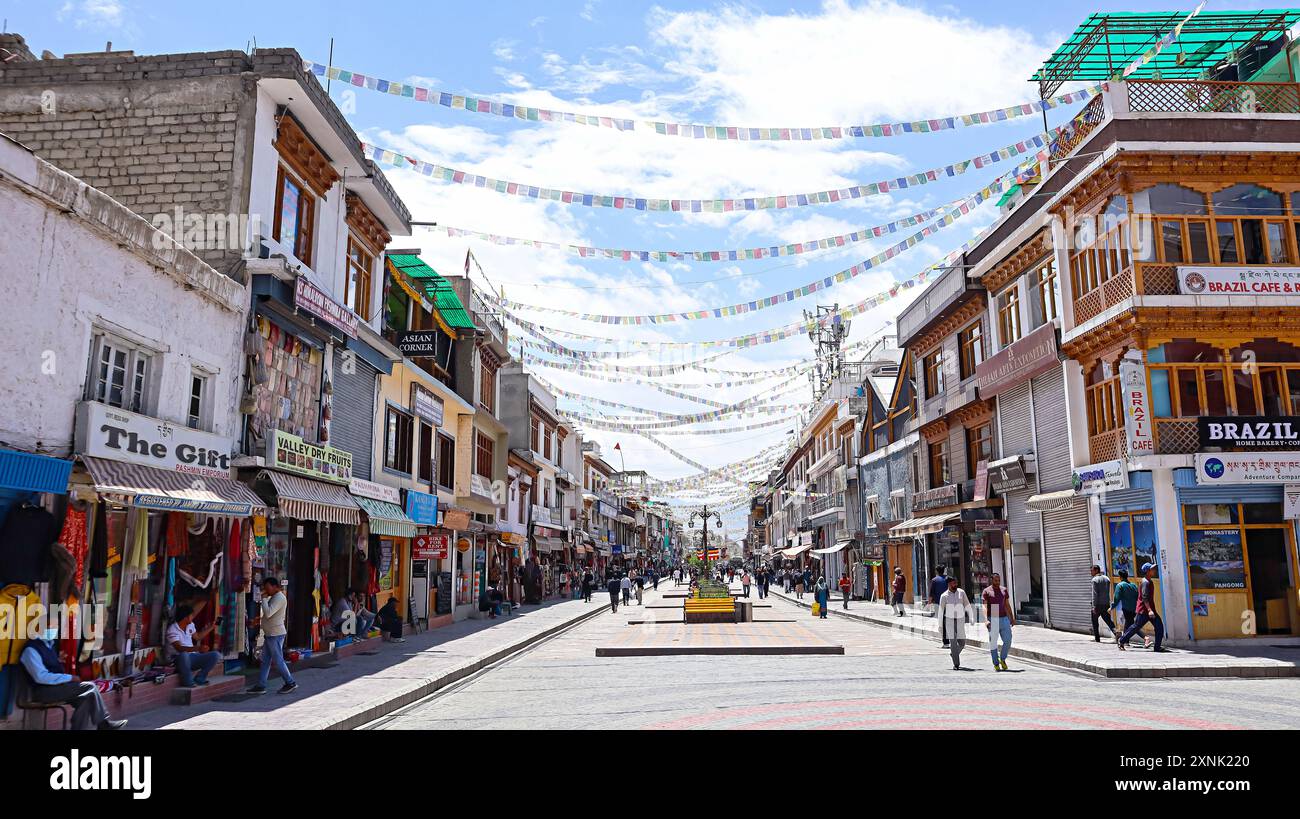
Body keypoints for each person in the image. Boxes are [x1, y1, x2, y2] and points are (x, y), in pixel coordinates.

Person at [20, 627, 126, 730]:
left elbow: (50, 666)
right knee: (90, 687)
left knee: (85, 698)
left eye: (55, 626)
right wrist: (69, 678)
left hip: (57, 688)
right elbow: (41, 677)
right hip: (42, 691)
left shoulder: (50, 645)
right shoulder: (30, 649)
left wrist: (58, 662)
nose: (54, 629)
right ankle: (104, 723)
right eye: (50, 626)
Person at [248, 576, 297, 695]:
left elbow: (269, 613)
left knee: (278, 660)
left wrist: (263, 599)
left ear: (275, 586)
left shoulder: (279, 598)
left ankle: (290, 682)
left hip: (275, 634)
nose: (266, 590)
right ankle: (261, 685)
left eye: (268, 588)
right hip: (270, 634)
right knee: (265, 661)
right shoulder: (274, 597)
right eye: (265, 588)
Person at [166, 603, 222, 687]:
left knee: (215, 655)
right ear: (186, 617)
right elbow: (179, 648)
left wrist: (212, 627)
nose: (193, 617)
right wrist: (197, 648)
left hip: (193, 657)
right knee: (184, 655)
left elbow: (198, 637)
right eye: (191, 615)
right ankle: (188, 682)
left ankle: (200, 678)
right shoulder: (172, 629)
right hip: (178, 659)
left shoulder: (190, 625)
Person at [1118, 563, 1166, 652]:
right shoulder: (1145, 582)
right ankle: (1121, 640)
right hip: (1144, 610)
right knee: (1135, 627)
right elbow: (1144, 597)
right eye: (1152, 569)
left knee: (1159, 626)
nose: (1154, 570)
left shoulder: (1149, 581)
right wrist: (1149, 610)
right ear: (1148, 571)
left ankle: (1157, 647)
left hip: (1150, 610)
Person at [937, 576, 975, 670]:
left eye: (956, 583)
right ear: (949, 584)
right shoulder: (944, 596)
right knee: (953, 642)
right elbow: (941, 611)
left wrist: (971, 616)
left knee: (962, 642)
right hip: (949, 620)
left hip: (960, 620)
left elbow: (967, 604)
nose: (955, 585)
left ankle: (954, 653)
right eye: (953, 583)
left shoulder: (961, 593)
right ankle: (956, 664)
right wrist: (940, 625)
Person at [982, 573, 1014, 671]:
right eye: (996, 580)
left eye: (999, 580)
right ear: (991, 580)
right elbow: (984, 606)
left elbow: (1007, 604)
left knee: (1008, 640)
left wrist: (1012, 617)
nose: (997, 582)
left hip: (1004, 617)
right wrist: (986, 620)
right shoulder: (987, 591)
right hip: (993, 615)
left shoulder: (1004, 590)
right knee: (993, 643)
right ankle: (996, 663)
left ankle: (1002, 659)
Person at [1089, 565, 1117, 643]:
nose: (1091, 572)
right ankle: (1116, 632)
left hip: (1097, 605)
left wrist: (1094, 606)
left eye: (1092, 570)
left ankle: (1097, 638)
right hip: (1105, 604)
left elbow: (1094, 594)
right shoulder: (1106, 579)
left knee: (1095, 621)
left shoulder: (1094, 580)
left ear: (1096, 570)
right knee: (1108, 620)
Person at [1113, 569, 1139, 643]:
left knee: (1133, 625)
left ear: (1120, 577)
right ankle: (1125, 641)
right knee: (1128, 624)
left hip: (1126, 609)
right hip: (1134, 608)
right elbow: (1137, 597)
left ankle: (1145, 638)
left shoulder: (1120, 585)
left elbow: (1116, 598)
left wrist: (1112, 607)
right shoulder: (1133, 585)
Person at [929, 566, 951, 646]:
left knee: (942, 623)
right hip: (949, 603)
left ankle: (946, 643)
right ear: (944, 570)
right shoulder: (948, 579)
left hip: (939, 604)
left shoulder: (934, 580)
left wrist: (929, 602)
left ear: (936, 571)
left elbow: (931, 593)